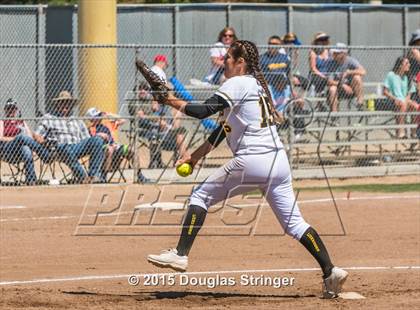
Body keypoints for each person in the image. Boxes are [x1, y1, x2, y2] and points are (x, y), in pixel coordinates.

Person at [146, 40, 348, 299]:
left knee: (200, 196)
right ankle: (331, 271)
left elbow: (202, 111)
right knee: (294, 224)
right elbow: (223, 129)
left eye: (229, 57)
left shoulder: (237, 83)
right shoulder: (256, 86)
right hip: (278, 163)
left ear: (240, 63)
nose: (224, 62)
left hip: (253, 159)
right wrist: (194, 157)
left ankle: (181, 254)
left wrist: (169, 100)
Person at [32, 91, 105, 183]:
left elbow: (86, 139)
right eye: (62, 103)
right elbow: (36, 134)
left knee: (97, 140)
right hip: (58, 149)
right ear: (57, 105)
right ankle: (83, 177)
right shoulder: (49, 118)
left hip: (76, 147)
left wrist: (97, 137)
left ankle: (93, 176)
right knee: (62, 147)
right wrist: (44, 142)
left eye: (67, 103)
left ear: (71, 105)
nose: (65, 105)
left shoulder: (77, 120)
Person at [134, 82, 187, 169]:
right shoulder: (150, 101)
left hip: (167, 130)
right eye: (163, 91)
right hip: (153, 129)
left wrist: (172, 121)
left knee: (179, 135)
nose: (165, 93)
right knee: (155, 133)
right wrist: (158, 120)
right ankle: (156, 161)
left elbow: (175, 122)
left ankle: (183, 160)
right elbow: (146, 116)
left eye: (168, 91)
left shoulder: (171, 104)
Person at [85, 107, 146, 183]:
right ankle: (103, 177)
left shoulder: (108, 124)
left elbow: (123, 120)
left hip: (115, 147)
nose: (99, 117)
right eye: (97, 116)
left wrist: (108, 114)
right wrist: (99, 134)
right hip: (103, 149)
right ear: (91, 119)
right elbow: (92, 142)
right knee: (110, 149)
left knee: (132, 150)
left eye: (99, 115)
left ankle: (139, 176)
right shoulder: (91, 129)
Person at [0, 99, 46, 185]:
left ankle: (31, 180)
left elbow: (29, 136)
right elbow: (1, 138)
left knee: (26, 149)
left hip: (20, 152)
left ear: (16, 110)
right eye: (9, 108)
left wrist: (22, 140)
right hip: (7, 151)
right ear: (5, 110)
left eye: (13, 108)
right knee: (21, 137)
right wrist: (16, 139)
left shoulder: (22, 122)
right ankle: (43, 153)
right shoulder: (2, 122)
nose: (11, 110)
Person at [383, 57, 417, 138]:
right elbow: (385, 92)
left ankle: (414, 132)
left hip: (404, 101)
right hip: (393, 101)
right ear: (400, 66)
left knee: (416, 106)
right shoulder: (391, 75)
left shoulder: (408, 77)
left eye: (409, 63)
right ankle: (401, 132)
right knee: (402, 104)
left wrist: (407, 101)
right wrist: (395, 98)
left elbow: (409, 94)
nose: (409, 65)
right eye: (406, 63)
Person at [329, 43, 366, 112]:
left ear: (343, 53)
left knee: (357, 77)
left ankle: (360, 103)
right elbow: (330, 81)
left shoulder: (350, 61)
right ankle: (334, 115)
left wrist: (349, 72)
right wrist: (342, 85)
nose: (334, 54)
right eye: (334, 53)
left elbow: (363, 71)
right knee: (332, 89)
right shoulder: (331, 63)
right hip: (339, 88)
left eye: (337, 53)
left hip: (352, 89)